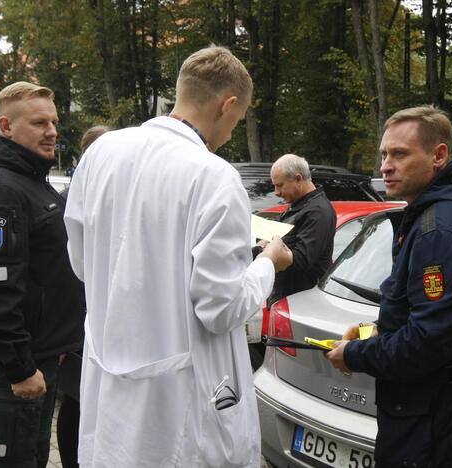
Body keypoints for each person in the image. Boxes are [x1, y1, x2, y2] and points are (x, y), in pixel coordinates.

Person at [63, 45, 292, 467]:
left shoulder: (100, 154)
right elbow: (220, 309)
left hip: (109, 383)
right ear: (227, 105)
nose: (230, 133)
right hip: (177, 408)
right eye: (237, 120)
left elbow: (81, 263)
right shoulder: (213, 177)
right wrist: (266, 265)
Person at [325, 105, 452, 467]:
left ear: (438, 156)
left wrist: (356, 355)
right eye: (384, 154)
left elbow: (431, 341)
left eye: (400, 154)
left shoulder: (440, 231)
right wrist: (378, 332)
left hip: (446, 433)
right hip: (442, 423)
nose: (385, 166)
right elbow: (430, 314)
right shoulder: (436, 216)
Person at [0, 81, 84, 468]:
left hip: (39, 356)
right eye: (40, 122)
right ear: (6, 127)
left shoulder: (29, 181)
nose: (52, 131)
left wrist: (52, 347)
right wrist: (20, 365)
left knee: (30, 457)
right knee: (9, 461)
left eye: (54, 122)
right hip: (12, 368)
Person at [56, 124, 111, 468]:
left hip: (97, 316)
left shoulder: (106, 194)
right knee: (75, 402)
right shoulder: (73, 199)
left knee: (91, 402)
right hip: (77, 320)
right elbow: (64, 270)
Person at [249, 154, 336, 369]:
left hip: (301, 305)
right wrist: (265, 245)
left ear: (298, 179)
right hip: (285, 301)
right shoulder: (299, 204)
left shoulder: (318, 211)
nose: (277, 192)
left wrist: (270, 249)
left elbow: (302, 259)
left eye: (280, 185)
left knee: (292, 368)